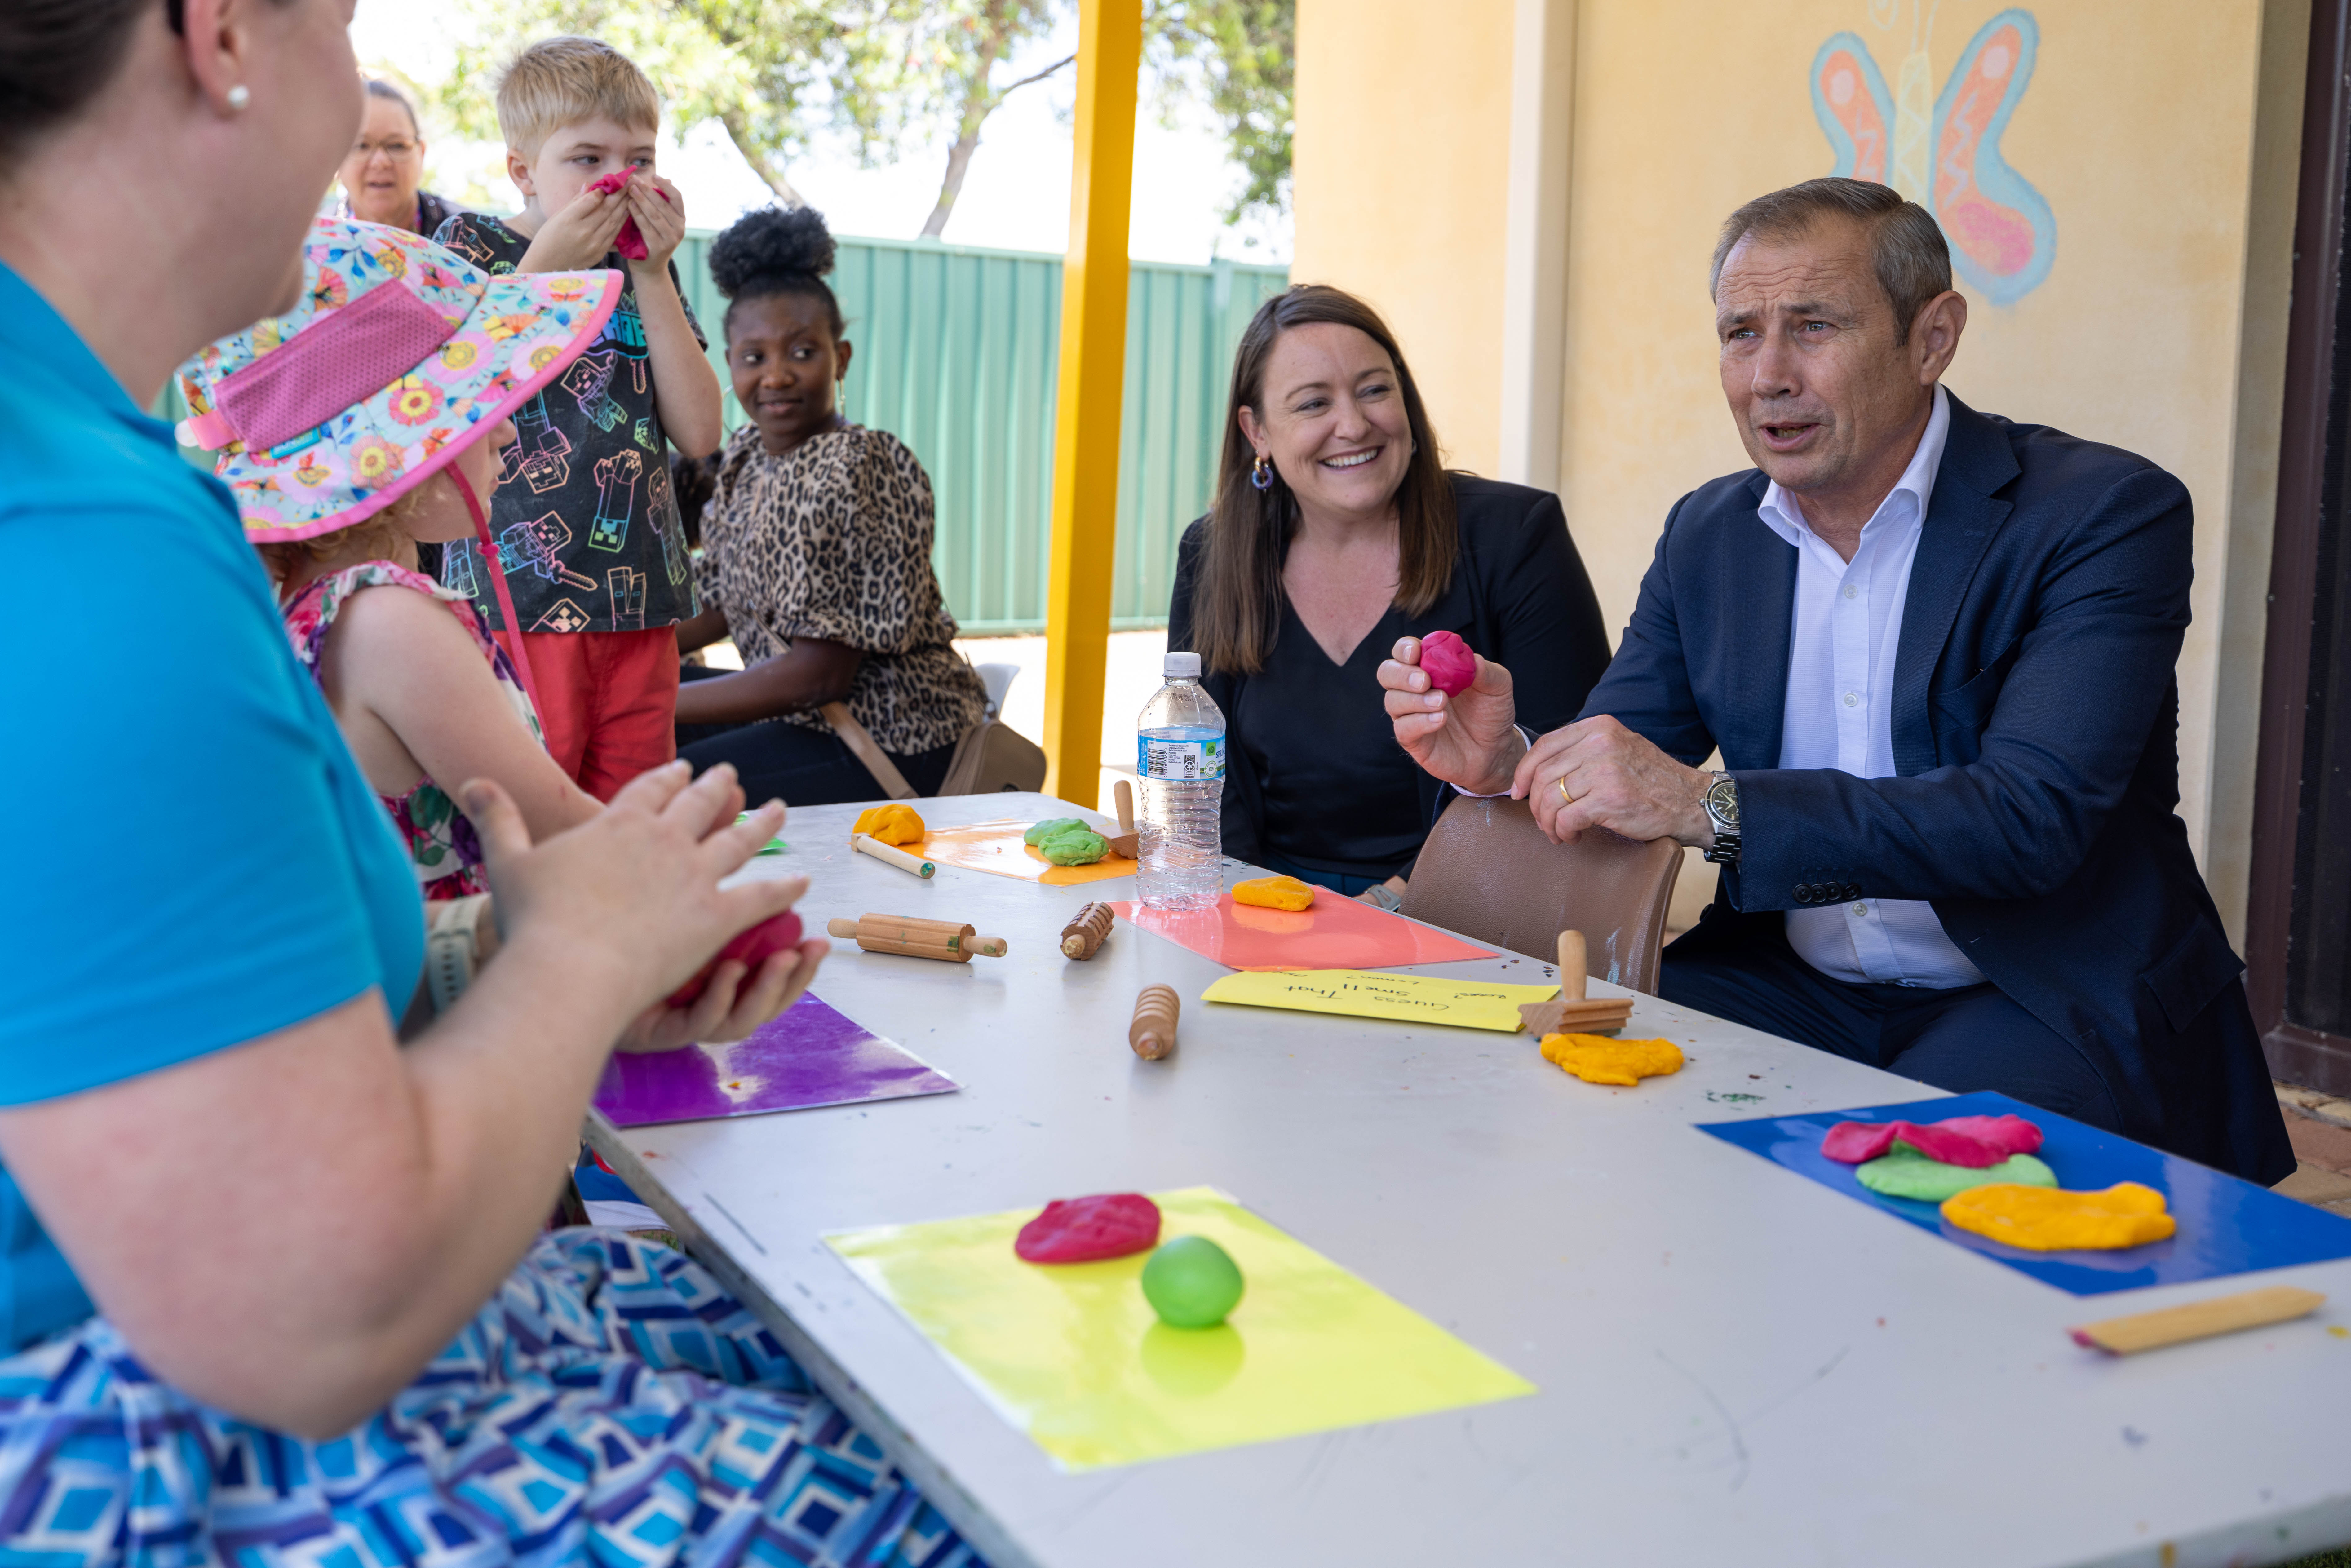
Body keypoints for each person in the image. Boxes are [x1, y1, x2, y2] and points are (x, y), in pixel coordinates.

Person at [0, 3, 984, 1563]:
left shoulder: (101, 477)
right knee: (964, 1455)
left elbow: (136, 1018)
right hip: (136, 1438)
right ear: (222, 38)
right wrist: (581, 960)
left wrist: (487, 965)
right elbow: (312, 1319)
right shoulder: (81, 540)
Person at [1378, 177, 2293, 1183]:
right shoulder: (1709, 535)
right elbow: (1628, 773)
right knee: (1557, 1104)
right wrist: (1508, 761)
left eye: (1811, 326)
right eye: (1739, 334)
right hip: (1791, 976)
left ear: (1931, 336)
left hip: (2034, 986)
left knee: (1901, 1195)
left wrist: (1710, 807)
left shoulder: (2099, 513)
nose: (1768, 375)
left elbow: (2027, 815)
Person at [182, 215, 605, 903]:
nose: (501, 430)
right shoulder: (388, 618)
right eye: (470, 406)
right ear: (395, 454)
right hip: (459, 993)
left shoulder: (309, 608)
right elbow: (556, 826)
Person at [1167, 284, 1611, 900]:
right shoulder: (1212, 555)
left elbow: (1575, 759)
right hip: (1265, 903)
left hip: (1475, 905)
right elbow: (1207, 777)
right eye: (1313, 404)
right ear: (1257, 431)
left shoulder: (1514, 536)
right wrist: (1245, 907)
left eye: (1374, 389)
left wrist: (1395, 902)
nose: (1353, 426)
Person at [433, 36, 724, 801]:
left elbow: (700, 433)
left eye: (640, 158)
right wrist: (544, 274)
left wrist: (653, 273)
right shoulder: (471, 249)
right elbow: (456, 394)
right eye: (587, 159)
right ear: (523, 171)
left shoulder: (642, 275)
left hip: (644, 604)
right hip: (518, 602)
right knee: (533, 806)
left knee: (636, 809)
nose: (618, 180)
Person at [673, 206, 989, 804]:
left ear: (839, 358)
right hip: (807, 721)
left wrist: (653, 696)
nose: (776, 376)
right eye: (753, 357)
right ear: (730, 366)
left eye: (800, 352)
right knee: (624, 729)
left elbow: (819, 673)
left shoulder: (861, 465)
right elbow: (719, 599)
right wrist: (614, 670)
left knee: (664, 781)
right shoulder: (744, 457)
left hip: (893, 733)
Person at [336, 78, 466, 237]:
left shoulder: (470, 240)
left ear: (422, 153)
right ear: (337, 158)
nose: (381, 162)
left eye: (397, 146)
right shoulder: (309, 244)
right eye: (361, 146)